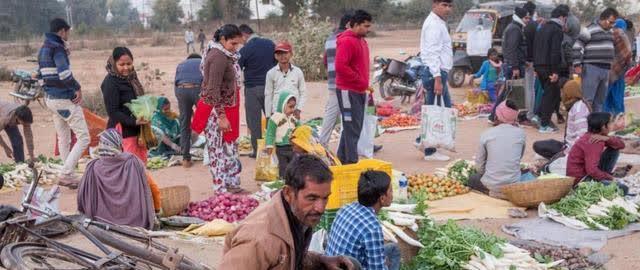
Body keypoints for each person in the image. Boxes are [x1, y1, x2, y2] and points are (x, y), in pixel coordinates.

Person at [219, 155, 357, 270]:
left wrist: (321, 260)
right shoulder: (260, 239)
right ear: (288, 193)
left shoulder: (298, 214)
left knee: (351, 264)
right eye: (312, 198)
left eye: (325, 198)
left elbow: (289, 256)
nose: (320, 208)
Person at [38, 18, 89, 187]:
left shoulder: (44, 48)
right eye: (68, 32)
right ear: (62, 31)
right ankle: (67, 173)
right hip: (63, 99)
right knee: (84, 137)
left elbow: (39, 74)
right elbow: (65, 75)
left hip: (50, 100)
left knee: (64, 137)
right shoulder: (57, 48)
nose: (69, 35)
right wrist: (78, 88)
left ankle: (69, 173)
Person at [77, 129, 158, 230]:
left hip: (101, 224)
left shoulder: (92, 167)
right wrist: (156, 211)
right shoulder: (133, 161)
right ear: (119, 144)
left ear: (101, 145)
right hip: (136, 224)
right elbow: (151, 188)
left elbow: (82, 199)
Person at [326, 170, 401, 270]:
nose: (392, 193)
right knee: (392, 252)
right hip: (348, 265)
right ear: (382, 199)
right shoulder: (372, 228)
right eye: (390, 190)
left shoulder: (346, 207)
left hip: (331, 264)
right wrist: (384, 265)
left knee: (393, 249)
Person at [201, 24, 243, 193]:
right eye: (233, 43)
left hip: (225, 109)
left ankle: (231, 183)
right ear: (223, 39)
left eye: (237, 44)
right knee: (217, 150)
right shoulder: (218, 57)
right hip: (217, 112)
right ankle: (220, 189)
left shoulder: (226, 55)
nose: (235, 48)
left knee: (229, 148)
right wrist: (222, 116)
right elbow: (212, 90)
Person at [416, 0, 453, 161]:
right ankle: (430, 151)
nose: (448, 9)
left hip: (437, 73)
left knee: (441, 110)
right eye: (444, 5)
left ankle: (421, 140)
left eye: (450, 6)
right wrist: (437, 78)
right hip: (434, 73)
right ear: (435, 4)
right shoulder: (433, 24)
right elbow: (431, 53)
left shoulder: (439, 22)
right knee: (435, 112)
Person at [335, 9, 373, 165]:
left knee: (353, 126)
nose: (368, 29)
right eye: (365, 26)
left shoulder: (361, 41)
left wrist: (364, 84)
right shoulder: (347, 41)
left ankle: (341, 158)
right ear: (355, 25)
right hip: (347, 90)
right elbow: (340, 66)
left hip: (358, 90)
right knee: (352, 128)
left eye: (369, 26)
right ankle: (351, 161)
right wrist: (359, 80)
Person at [468, 100, 527, 198]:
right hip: (513, 185)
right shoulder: (521, 134)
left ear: (498, 115)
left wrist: (489, 174)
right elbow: (519, 157)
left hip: (492, 186)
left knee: (473, 178)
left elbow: (479, 167)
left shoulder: (487, 134)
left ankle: (492, 192)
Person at [101, 47, 150, 163]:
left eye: (129, 64)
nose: (126, 68)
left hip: (137, 130)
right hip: (122, 132)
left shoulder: (132, 77)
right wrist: (134, 121)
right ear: (114, 63)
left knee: (140, 166)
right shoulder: (110, 82)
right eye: (121, 64)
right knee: (128, 168)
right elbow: (113, 112)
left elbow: (139, 100)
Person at [238, 24, 276, 158]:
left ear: (244, 35)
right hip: (270, 87)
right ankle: (276, 147)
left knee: (254, 122)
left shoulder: (245, 49)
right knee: (273, 118)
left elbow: (237, 67)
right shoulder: (270, 44)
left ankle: (257, 151)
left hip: (252, 89)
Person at [566, 112, 627, 194]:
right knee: (623, 189)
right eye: (610, 122)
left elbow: (621, 145)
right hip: (582, 182)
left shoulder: (595, 136)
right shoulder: (594, 142)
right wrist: (610, 178)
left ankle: (604, 178)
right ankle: (603, 179)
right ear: (603, 127)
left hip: (586, 174)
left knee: (614, 149)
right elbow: (592, 170)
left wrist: (606, 139)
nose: (613, 124)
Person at [573, 8, 620, 112]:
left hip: (606, 70)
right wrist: (577, 65)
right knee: (588, 100)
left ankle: (597, 126)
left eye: (614, 22)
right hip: (591, 68)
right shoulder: (589, 29)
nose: (612, 25)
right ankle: (585, 125)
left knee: (600, 101)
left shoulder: (611, 32)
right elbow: (577, 46)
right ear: (603, 18)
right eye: (610, 22)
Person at [533, 6, 568, 133]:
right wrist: (555, 72)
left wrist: (535, 67)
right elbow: (555, 52)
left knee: (547, 93)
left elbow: (535, 47)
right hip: (549, 67)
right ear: (562, 17)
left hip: (539, 66)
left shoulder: (542, 27)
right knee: (551, 95)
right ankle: (544, 125)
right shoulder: (557, 30)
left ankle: (538, 115)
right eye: (565, 18)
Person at [320, 12, 353, 147]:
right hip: (346, 84)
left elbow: (325, 61)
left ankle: (323, 143)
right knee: (349, 116)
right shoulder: (347, 39)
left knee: (332, 114)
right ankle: (351, 146)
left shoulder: (330, 39)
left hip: (333, 82)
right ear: (348, 24)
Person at [174, 53, 203, 168]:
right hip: (198, 89)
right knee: (207, 121)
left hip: (181, 90)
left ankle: (185, 159)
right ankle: (211, 155)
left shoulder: (181, 65)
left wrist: (183, 104)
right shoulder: (203, 63)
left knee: (184, 124)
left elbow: (175, 85)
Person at [264, 41, 307, 119]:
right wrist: (268, 116)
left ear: (291, 54)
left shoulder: (298, 72)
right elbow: (268, 95)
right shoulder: (271, 73)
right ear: (275, 56)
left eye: (285, 53)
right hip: (277, 113)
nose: (282, 56)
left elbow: (303, 93)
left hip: (293, 112)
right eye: (279, 54)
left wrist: (298, 109)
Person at [265, 93, 299, 177]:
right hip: (281, 148)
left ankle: (292, 183)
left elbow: (299, 129)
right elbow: (270, 133)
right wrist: (269, 145)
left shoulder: (293, 117)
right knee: (283, 167)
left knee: (294, 166)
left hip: (292, 148)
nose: (292, 109)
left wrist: (298, 120)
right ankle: (283, 183)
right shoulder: (275, 118)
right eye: (290, 107)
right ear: (283, 104)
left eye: (293, 107)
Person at [604, 19, 632, 115]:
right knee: (618, 94)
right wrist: (628, 66)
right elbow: (628, 52)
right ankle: (619, 115)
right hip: (619, 70)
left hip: (607, 69)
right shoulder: (622, 34)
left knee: (606, 94)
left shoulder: (607, 33)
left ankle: (606, 117)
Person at [522, 1, 539, 124]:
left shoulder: (527, 26)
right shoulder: (534, 26)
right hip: (532, 60)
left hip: (528, 61)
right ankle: (529, 112)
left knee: (529, 88)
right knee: (530, 88)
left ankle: (528, 112)